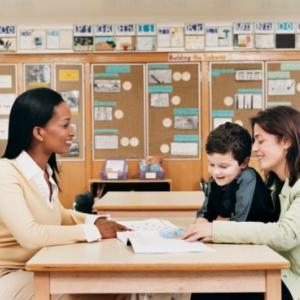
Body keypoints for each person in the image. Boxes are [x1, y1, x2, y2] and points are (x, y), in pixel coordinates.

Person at [0, 88, 129, 300]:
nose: (72, 132)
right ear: (39, 132)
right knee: (94, 292)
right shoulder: (6, 173)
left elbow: (61, 215)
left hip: (39, 265)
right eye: (65, 125)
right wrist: (93, 232)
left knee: (118, 286)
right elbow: (30, 235)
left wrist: (97, 221)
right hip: (11, 274)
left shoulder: (43, 173)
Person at [183, 106, 299, 300]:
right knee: (205, 285)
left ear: (286, 141)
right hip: (270, 267)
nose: (254, 149)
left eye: (260, 141)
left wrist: (215, 230)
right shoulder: (274, 184)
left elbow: (284, 234)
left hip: (291, 279)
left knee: (212, 291)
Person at [197, 122, 278, 223]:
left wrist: (217, 224)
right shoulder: (216, 180)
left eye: (224, 166)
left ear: (244, 162)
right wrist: (201, 221)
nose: (216, 172)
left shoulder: (248, 178)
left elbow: (240, 222)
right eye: (211, 164)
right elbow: (206, 211)